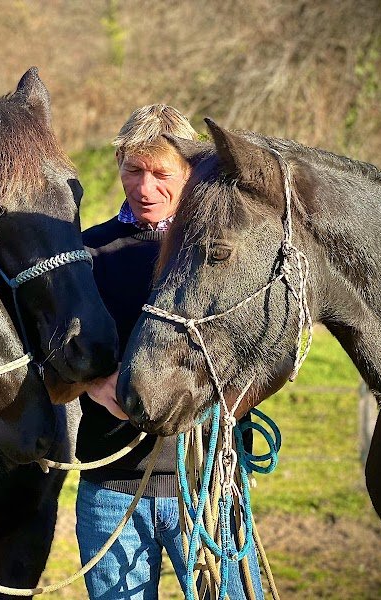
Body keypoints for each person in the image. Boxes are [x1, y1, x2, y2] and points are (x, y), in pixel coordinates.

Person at [75, 105, 264, 599]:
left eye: (161, 173)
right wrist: (90, 383)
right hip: (110, 488)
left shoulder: (218, 252)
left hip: (205, 486)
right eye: (133, 170)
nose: (145, 187)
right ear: (118, 164)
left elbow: (260, 348)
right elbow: (46, 351)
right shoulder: (86, 252)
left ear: (190, 172)